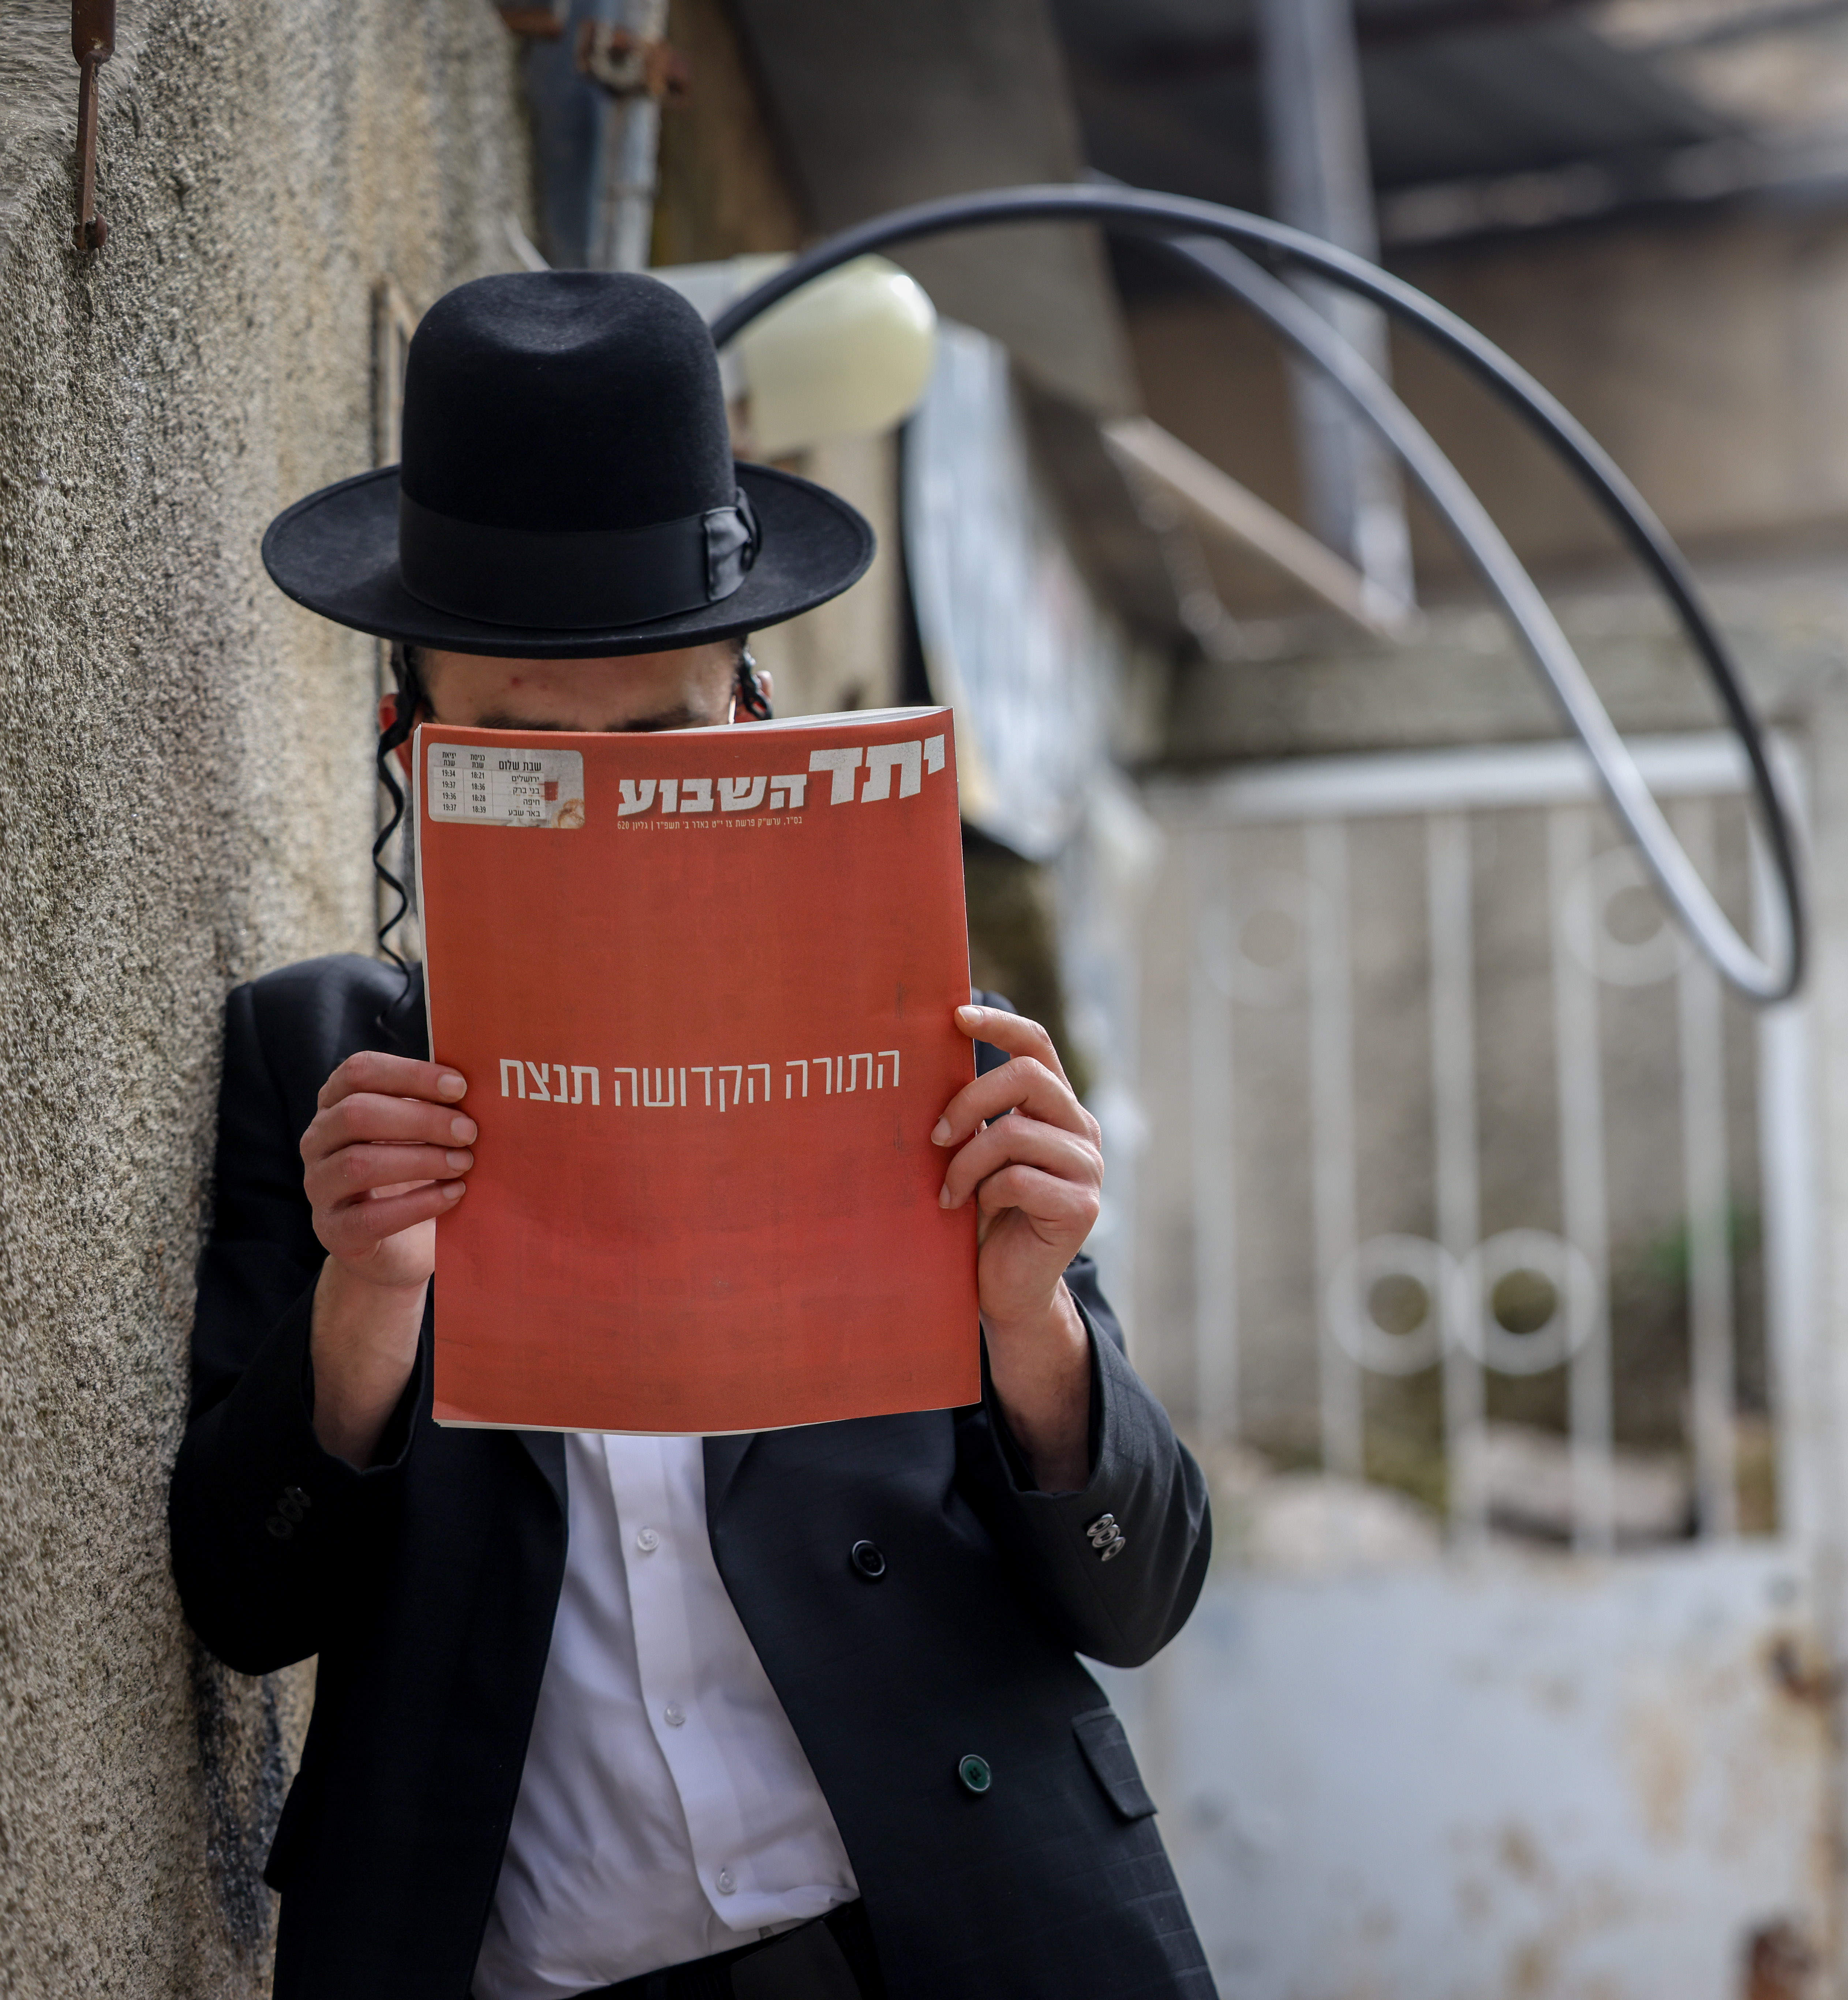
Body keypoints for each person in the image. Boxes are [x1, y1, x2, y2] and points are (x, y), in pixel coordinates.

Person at [171, 271, 1215, 2000]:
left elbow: (1143, 1594)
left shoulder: (910, 1028)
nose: (598, 807)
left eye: (657, 741)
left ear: (751, 723)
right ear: (409, 748)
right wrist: (366, 1298)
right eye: (521, 750)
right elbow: (244, 1598)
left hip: (965, 1939)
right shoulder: (316, 1063)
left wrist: (1027, 1321)